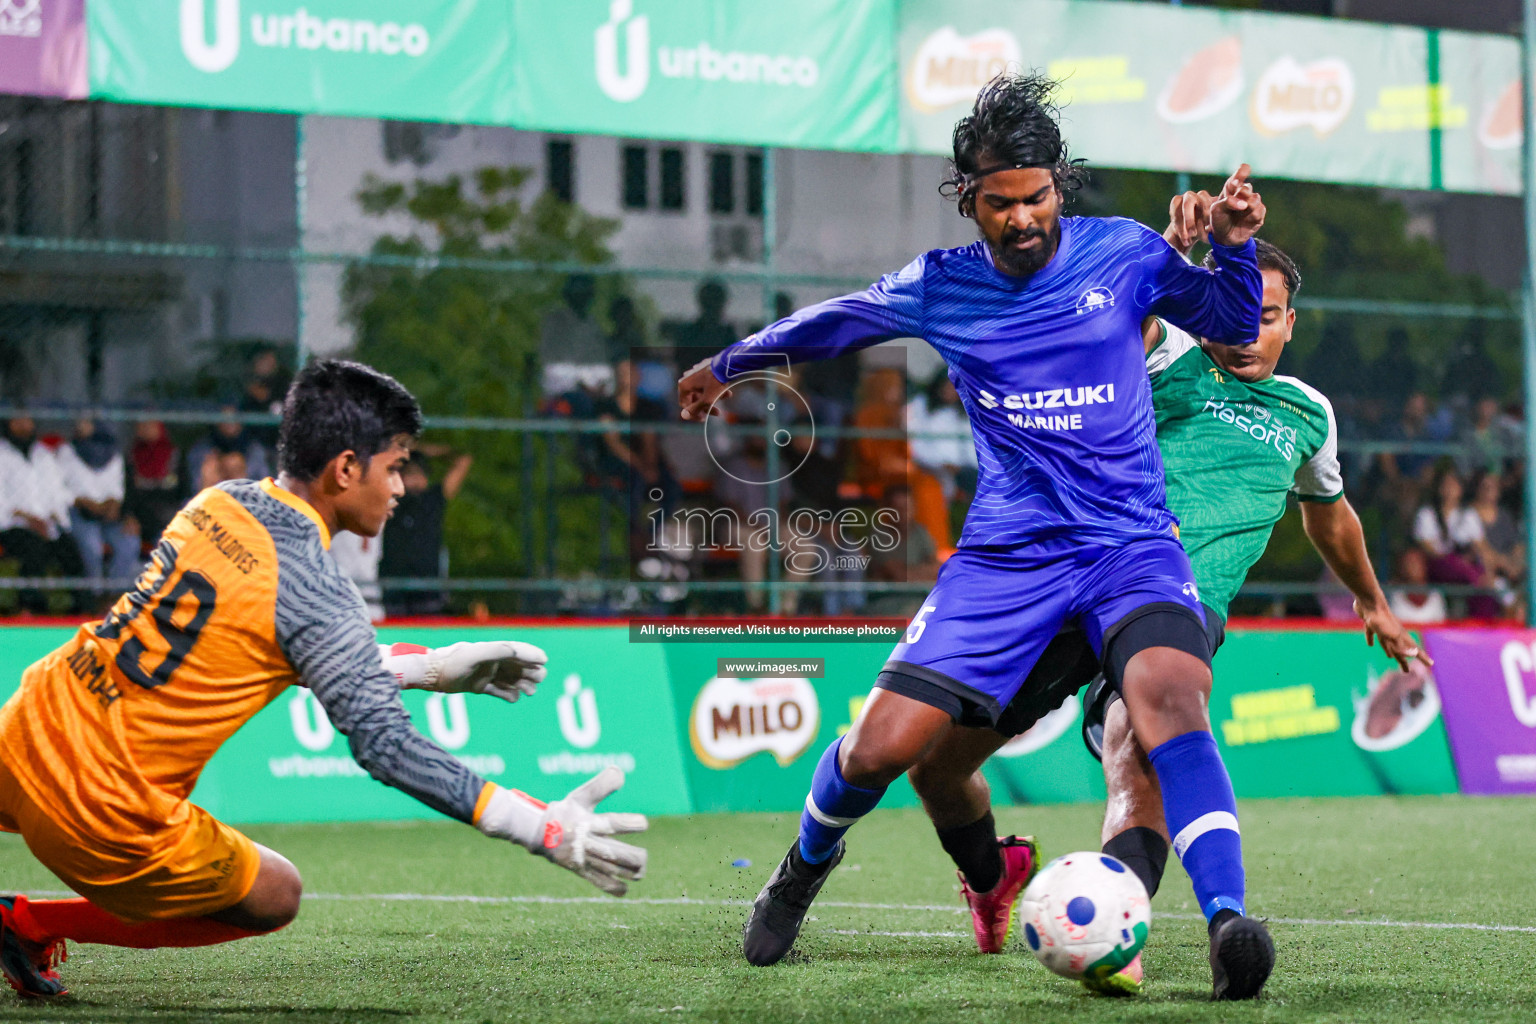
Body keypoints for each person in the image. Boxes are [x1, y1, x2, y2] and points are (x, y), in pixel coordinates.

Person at [678, 72, 1273, 997]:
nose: (1022, 219)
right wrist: (729, 363)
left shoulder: (1122, 254)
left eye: (1036, 198)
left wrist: (1233, 248)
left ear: (1058, 187)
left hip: (1128, 546)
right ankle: (801, 871)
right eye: (1000, 204)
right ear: (970, 201)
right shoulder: (941, 286)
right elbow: (835, 324)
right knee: (883, 752)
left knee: (1169, 695)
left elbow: (1235, 326)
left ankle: (1230, 922)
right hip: (1008, 561)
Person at [0, 360, 647, 1000]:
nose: (400, 488)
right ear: (344, 469)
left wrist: (429, 669)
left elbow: (262, 640)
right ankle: (26, 923)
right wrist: (540, 826)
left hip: (31, 719)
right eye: (394, 467)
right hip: (101, 802)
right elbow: (385, 746)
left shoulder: (218, 504)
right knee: (277, 894)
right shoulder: (316, 586)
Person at [908, 226, 1431, 997]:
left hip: (1169, 610)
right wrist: (1171, 248)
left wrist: (1374, 603)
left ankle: (1202, 923)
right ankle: (992, 872)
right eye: (1239, 309)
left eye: (1270, 315)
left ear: (1292, 323)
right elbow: (1111, 329)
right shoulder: (1173, 359)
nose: (1249, 329)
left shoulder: (1308, 414)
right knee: (936, 766)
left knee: (1138, 747)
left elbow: (1331, 513)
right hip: (1070, 584)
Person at [0, 416, 85, 614]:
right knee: (33, 549)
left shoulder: (43, 454)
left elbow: (56, 491)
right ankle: (31, 608)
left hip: (46, 523)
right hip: (12, 525)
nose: (23, 425)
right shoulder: (2, 454)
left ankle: (81, 609)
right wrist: (28, 520)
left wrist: (53, 518)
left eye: (27, 421)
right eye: (18, 421)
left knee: (70, 551)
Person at [380, 448, 473, 617]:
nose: (415, 478)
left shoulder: (433, 499)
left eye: (420, 473)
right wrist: (406, 451)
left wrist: (424, 451)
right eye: (410, 473)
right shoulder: (390, 501)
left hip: (429, 592)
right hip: (394, 591)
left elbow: (463, 460)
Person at [56, 419, 141, 589]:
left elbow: (117, 488)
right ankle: (94, 594)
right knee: (91, 545)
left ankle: (113, 593)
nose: (81, 427)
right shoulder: (66, 451)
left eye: (87, 423)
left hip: (108, 512)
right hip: (79, 510)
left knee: (129, 542)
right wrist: (83, 502)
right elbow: (59, 488)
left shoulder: (112, 452)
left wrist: (112, 505)